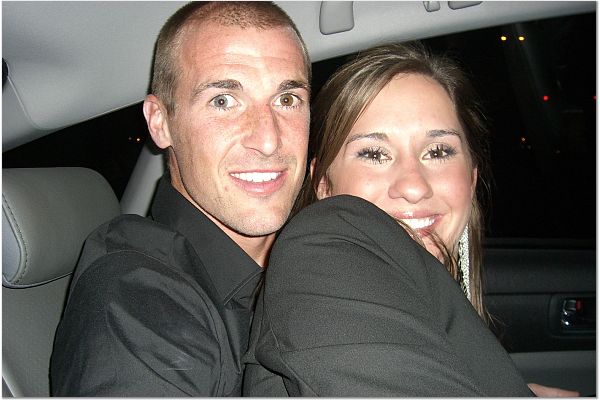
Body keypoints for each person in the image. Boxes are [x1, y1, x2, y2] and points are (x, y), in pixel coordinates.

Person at [243, 43, 578, 396]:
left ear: (472, 178)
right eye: (374, 153)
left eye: (438, 152)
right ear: (323, 184)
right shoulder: (320, 256)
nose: (414, 187)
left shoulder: (425, 307)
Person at [50, 2, 310, 396]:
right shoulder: (136, 301)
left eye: (287, 100)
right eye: (223, 100)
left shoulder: (314, 258)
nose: (269, 138)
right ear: (160, 122)